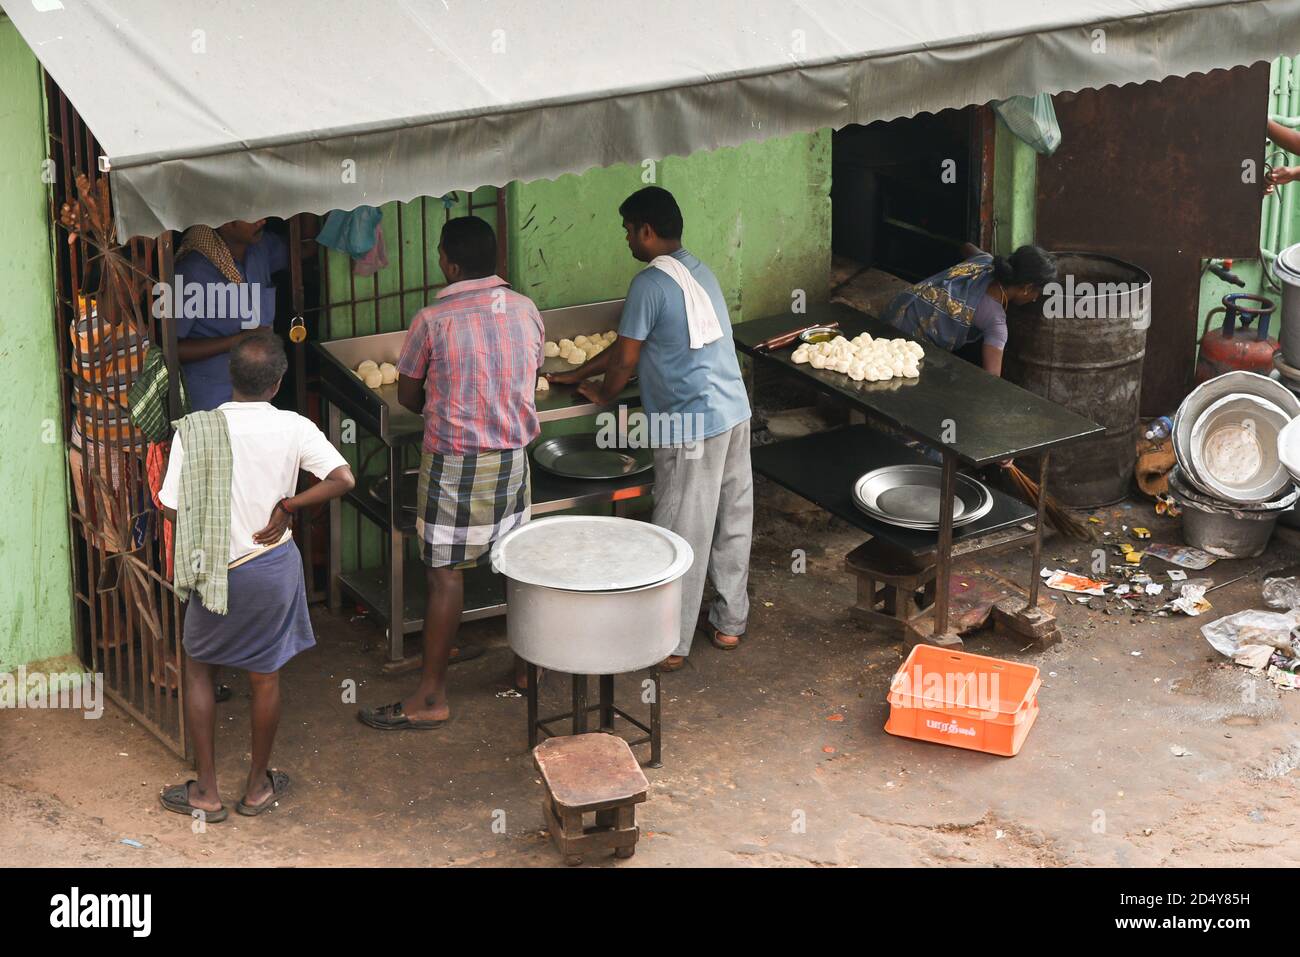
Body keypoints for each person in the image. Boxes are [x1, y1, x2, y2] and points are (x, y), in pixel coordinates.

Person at [549, 186, 753, 672]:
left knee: (683, 530)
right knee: (731, 519)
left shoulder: (647, 283)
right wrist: (578, 373)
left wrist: (603, 393)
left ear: (646, 230)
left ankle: (671, 642)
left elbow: (625, 357)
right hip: (733, 410)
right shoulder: (699, 270)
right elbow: (628, 345)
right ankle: (730, 622)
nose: (625, 239)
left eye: (627, 229)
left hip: (690, 423)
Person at [157, 333, 355, 821]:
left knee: (200, 669)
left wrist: (213, 528)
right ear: (279, 382)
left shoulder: (195, 430)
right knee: (264, 677)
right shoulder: (295, 426)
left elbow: (168, 506)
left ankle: (206, 791)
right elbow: (343, 479)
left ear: (230, 376)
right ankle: (256, 788)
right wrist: (288, 506)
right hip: (270, 568)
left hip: (216, 568)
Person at [357, 216, 544, 730]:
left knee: (445, 576)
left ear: (452, 264)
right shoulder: (526, 311)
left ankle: (432, 696)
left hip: (455, 462)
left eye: (441, 255)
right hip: (511, 460)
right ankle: (528, 670)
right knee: (517, 570)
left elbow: (409, 394)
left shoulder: (432, 320)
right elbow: (531, 374)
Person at [881, 243, 1058, 377]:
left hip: (896, 309)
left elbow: (966, 246)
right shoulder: (995, 323)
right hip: (904, 347)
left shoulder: (984, 260)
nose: (1035, 298)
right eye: (1037, 292)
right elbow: (992, 378)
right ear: (1027, 288)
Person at [175, 219, 288, 411]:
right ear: (226, 222)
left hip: (259, 397)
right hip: (211, 401)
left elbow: (305, 249)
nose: (262, 220)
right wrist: (239, 340)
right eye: (251, 216)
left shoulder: (261, 249)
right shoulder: (192, 271)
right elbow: (173, 350)